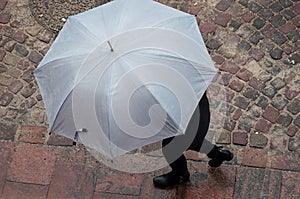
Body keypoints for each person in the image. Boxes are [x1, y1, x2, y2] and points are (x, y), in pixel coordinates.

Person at [153, 92, 233, 188]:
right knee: (192, 141)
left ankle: (180, 175)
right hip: (197, 110)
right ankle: (217, 153)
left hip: (187, 115)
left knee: (170, 147)